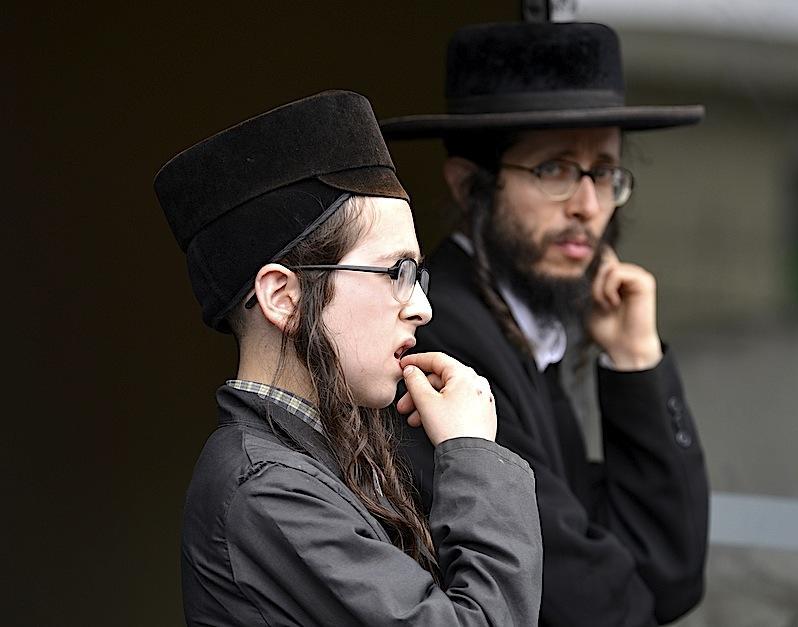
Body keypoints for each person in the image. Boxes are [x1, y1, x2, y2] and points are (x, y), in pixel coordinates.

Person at [154, 90, 542, 626]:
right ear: (283, 298)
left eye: (419, 275)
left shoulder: (316, 458)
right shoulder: (269, 491)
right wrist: (472, 453)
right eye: (397, 272)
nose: (422, 307)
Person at [381, 22, 709, 626]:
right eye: (554, 169)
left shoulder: (528, 326)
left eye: (604, 172)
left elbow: (670, 575)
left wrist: (636, 362)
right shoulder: (436, 334)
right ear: (470, 186)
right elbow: (587, 605)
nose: (588, 205)